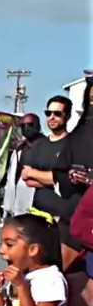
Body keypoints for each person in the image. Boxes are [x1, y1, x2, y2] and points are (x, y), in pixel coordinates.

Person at [20, 95, 72, 266]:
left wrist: (37, 174)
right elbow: (27, 178)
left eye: (57, 113)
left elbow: (69, 179)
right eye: (48, 113)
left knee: (62, 265)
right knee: (35, 264)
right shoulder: (39, 145)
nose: (52, 117)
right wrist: (55, 179)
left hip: (62, 217)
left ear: (67, 116)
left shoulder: (73, 144)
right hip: (38, 215)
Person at [53, 77, 93, 269]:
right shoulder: (79, 131)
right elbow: (60, 169)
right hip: (74, 214)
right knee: (67, 274)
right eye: (91, 100)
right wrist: (70, 176)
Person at [2, 113, 42, 218]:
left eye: (30, 124)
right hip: (15, 208)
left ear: (38, 126)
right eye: (23, 125)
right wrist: (7, 205)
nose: (26, 128)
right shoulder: (18, 149)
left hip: (37, 209)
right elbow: (10, 178)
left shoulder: (47, 146)